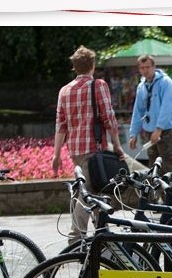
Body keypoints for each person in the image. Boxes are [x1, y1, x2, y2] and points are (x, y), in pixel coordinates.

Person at [52, 45, 124, 242]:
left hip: (75, 150)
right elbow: (109, 118)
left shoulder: (64, 90)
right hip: (94, 149)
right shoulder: (98, 85)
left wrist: (56, 155)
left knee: (92, 192)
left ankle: (103, 236)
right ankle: (75, 239)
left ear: (74, 67)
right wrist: (117, 145)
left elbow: (61, 125)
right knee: (88, 194)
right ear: (93, 65)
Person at [128, 54, 172, 178]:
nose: (145, 70)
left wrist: (158, 129)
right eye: (142, 68)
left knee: (169, 163)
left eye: (147, 67)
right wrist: (133, 134)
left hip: (165, 130)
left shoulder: (165, 82)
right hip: (149, 130)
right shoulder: (141, 86)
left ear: (154, 67)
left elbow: (167, 107)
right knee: (154, 166)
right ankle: (157, 190)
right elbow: (138, 111)